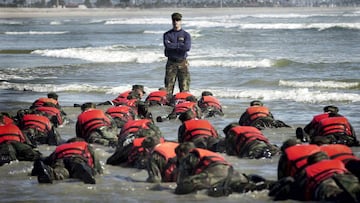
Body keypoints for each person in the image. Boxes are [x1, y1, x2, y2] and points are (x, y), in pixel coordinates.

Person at [175, 142, 274, 196]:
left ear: (182, 153)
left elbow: (181, 184)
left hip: (216, 172)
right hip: (232, 171)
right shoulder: (207, 153)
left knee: (182, 188)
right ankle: (270, 185)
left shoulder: (188, 157)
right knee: (247, 188)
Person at [269, 151, 360, 202]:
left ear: (310, 164)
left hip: (326, 189)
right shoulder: (339, 164)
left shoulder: (308, 171)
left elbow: (290, 191)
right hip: (349, 181)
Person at [31, 137, 102, 184]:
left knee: (60, 171)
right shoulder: (85, 145)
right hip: (77, 159)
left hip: (61, 159)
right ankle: (81, 170)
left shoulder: (60, 147)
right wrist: (98, 171)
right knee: (79, 168)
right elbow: (96, 164)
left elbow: (48, 160)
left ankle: (52, 174)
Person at [163, 12, 191, 95]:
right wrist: (180, 45)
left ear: (181, 21)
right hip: (171, 62)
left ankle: (183, 106)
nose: (176, 22)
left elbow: (187, 47)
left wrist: (174, 45)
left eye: (178, 20)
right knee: (168, 88)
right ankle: (167, 106)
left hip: (182, 62)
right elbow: (167, 46)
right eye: (174, 20)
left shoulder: (186, 35)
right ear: (172, 21)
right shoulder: (167, 34)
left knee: (184, 88)